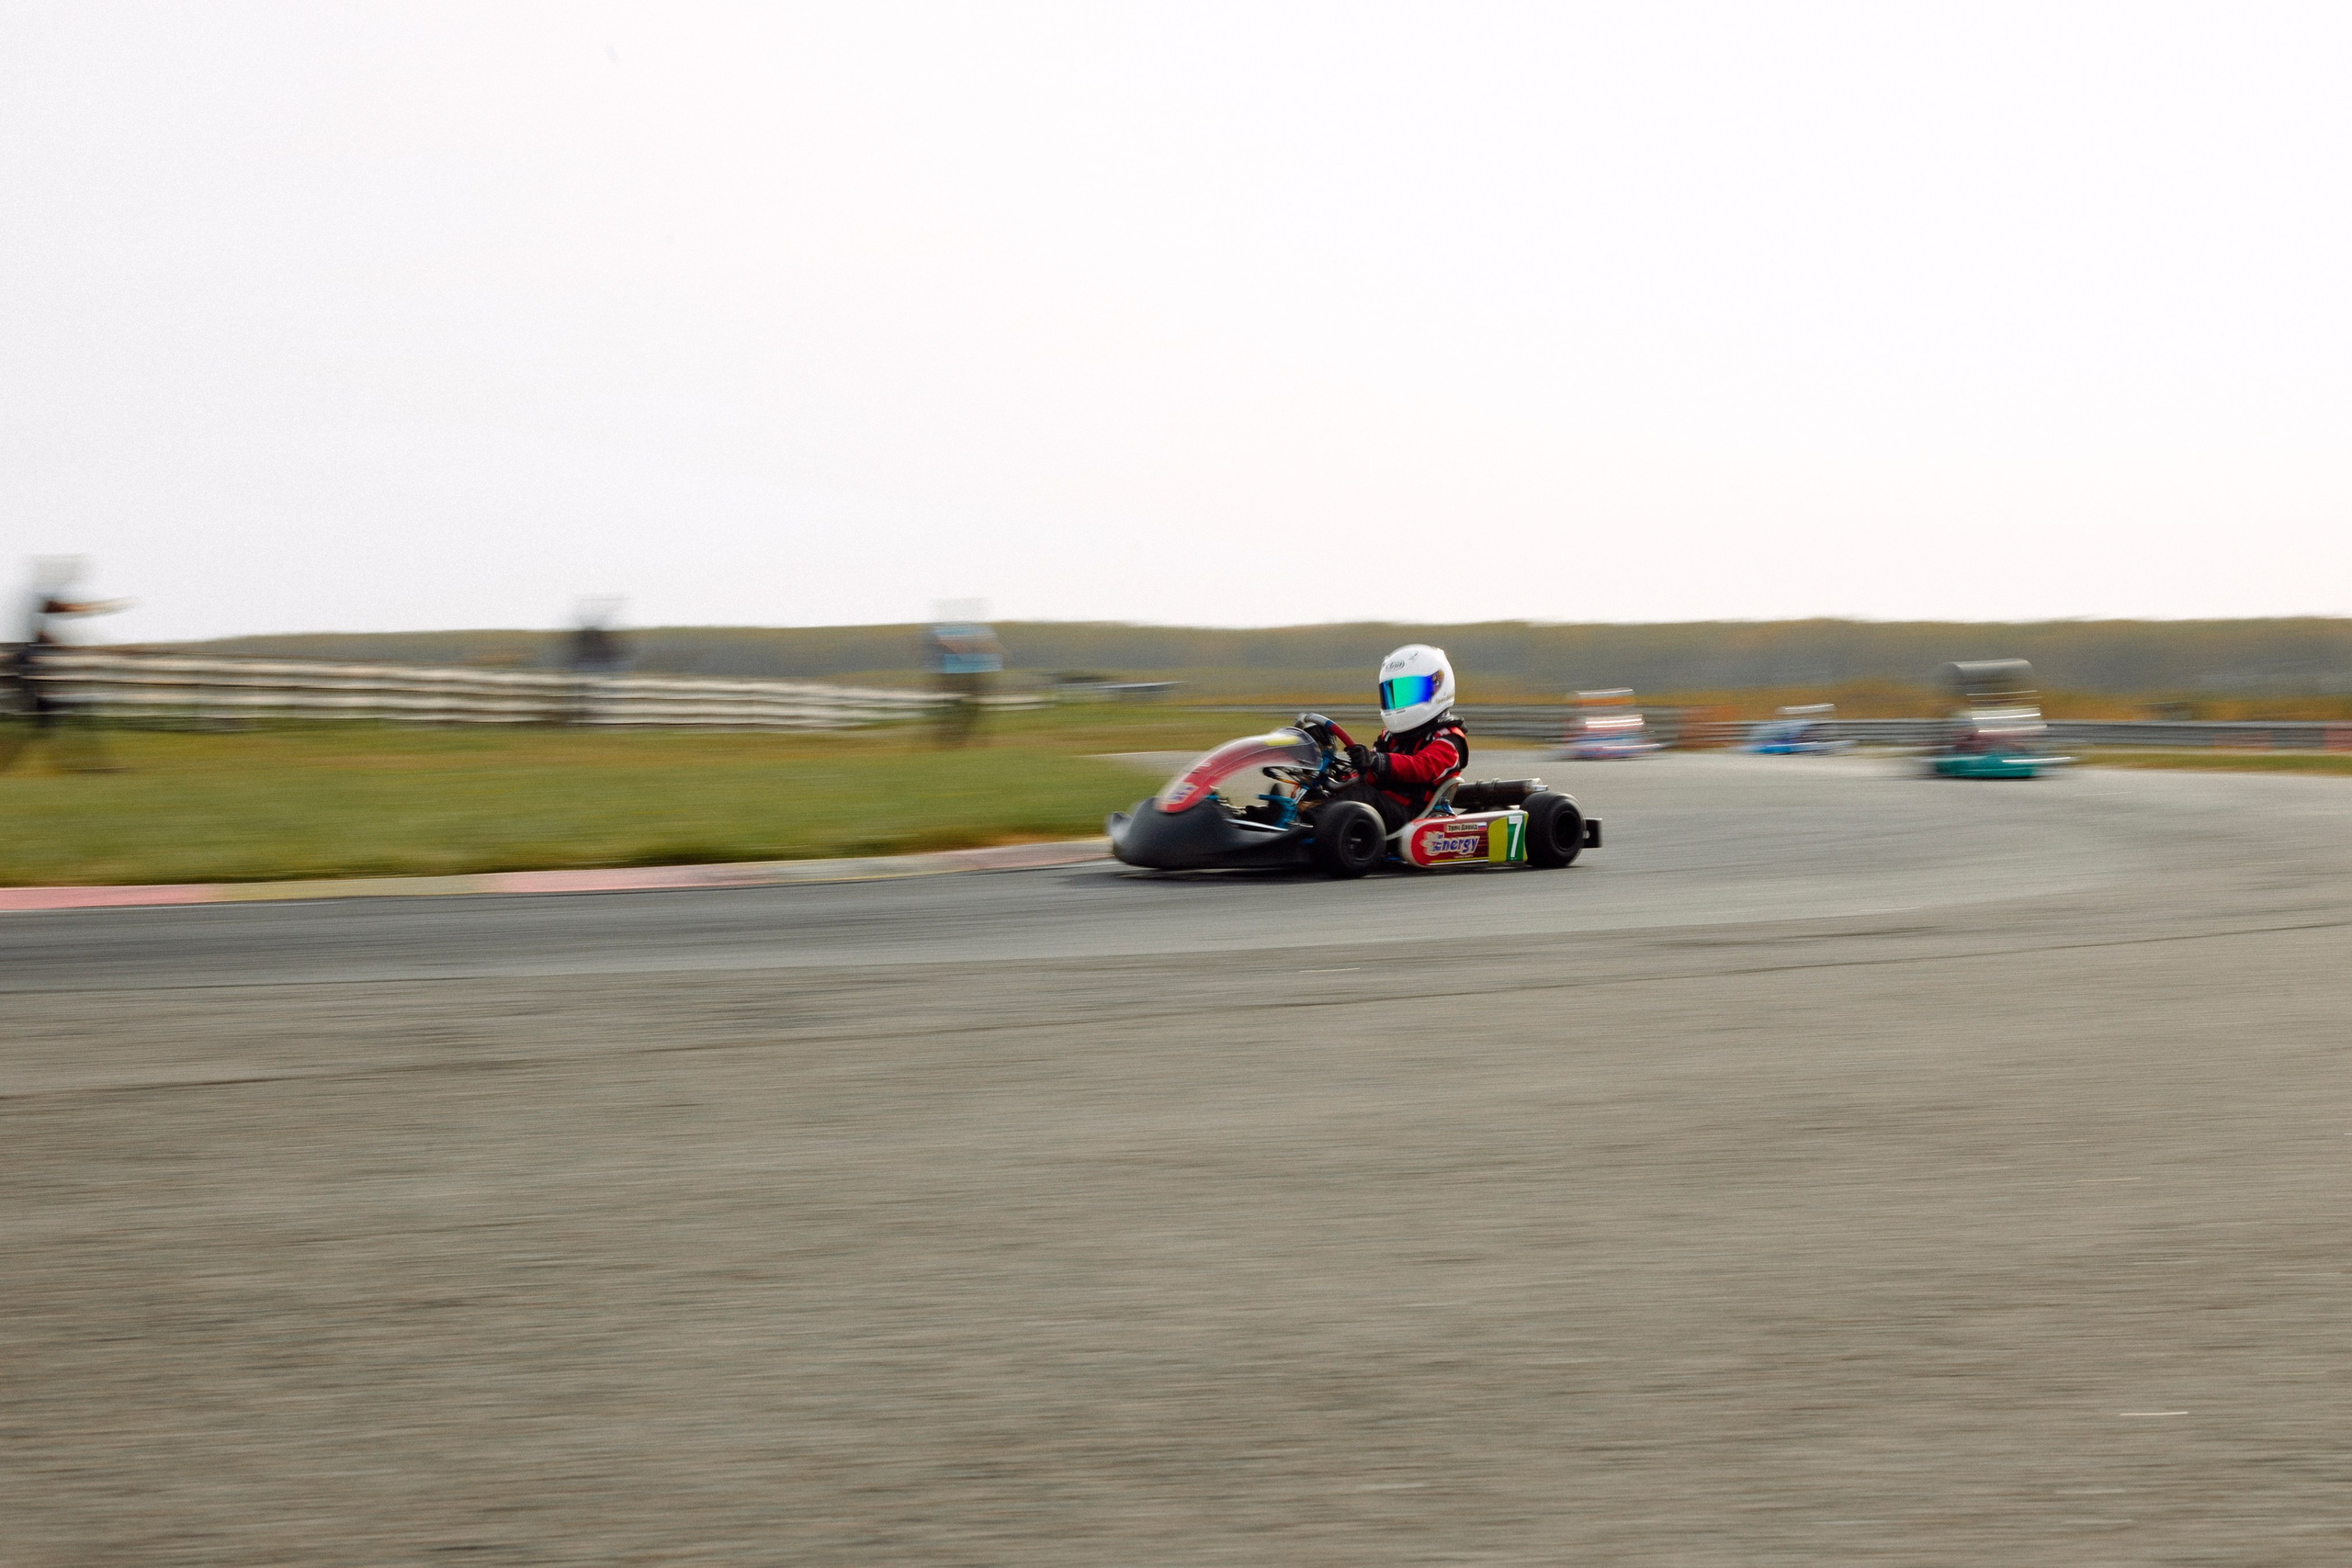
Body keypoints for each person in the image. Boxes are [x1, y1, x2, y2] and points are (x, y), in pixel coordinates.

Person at [1312, 643, 1468, 831]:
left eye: (1408, 692)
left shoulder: (1449, 740)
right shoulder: (1391, 737)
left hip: (1413, 815)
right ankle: (1286, 819)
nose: (1398, 702)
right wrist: (1342, 775)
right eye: (1393, 694)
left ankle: (1307, 825)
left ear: (1438, 688)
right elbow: (1371, 775)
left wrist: (1377, 760)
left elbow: (1421, 767)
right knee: (1330, 791)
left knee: (1362, 797)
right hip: (1385, 805)